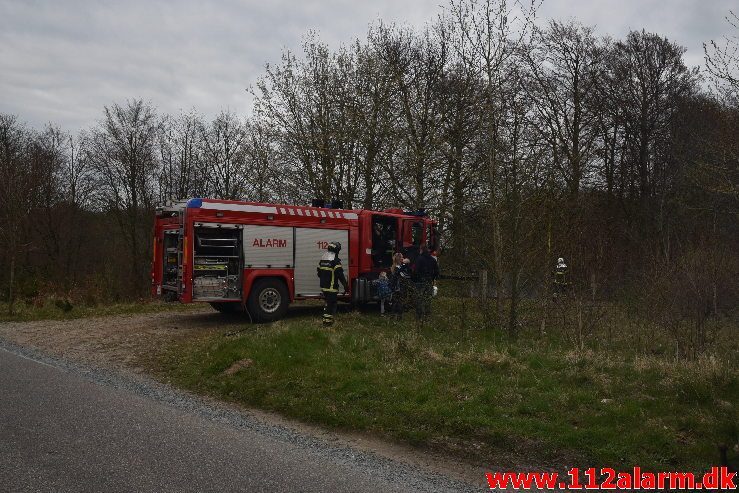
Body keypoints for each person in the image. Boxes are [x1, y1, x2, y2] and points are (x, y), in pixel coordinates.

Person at [316, 241, 348, 325]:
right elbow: (340, 275)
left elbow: (319, 273)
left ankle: (326, 319)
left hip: (324, 287)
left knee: (328, 303)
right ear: (336, 250)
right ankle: (327, 322)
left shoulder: (323, 259)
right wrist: (345, 285)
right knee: (331, 304)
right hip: (331, 287)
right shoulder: (335, 261)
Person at [413, 244, 439, 320]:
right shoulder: (433, 260)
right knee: (427, 299)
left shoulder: (419, 259)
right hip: (429, 281)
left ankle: (419, 316)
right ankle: (427, 316)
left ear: (421, 249)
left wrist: (415, 279)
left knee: (419, 299)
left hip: (420, 282)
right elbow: (437, 272)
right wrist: (432, 278)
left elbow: (416, 271)